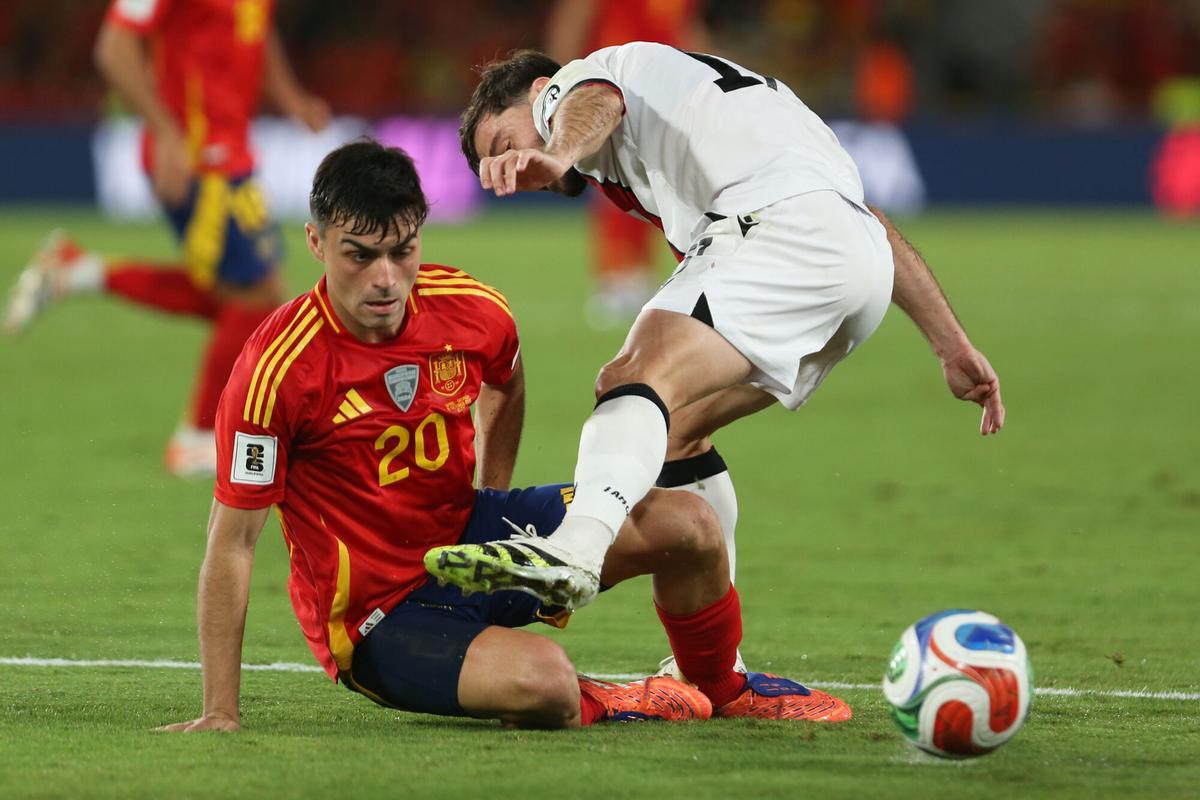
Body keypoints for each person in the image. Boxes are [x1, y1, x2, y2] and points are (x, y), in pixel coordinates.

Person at [160, 140, 850, 732]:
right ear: (315, 242)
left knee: (691, 526)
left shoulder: (471, 311)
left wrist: (491, 498)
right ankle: (623, 702)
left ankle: (725, 693)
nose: (385, 279)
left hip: (470, 538)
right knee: (544, 682)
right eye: (359, 255)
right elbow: (234, 544)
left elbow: (506, 381)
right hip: (377, 617)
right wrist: (221, 708)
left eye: (402, 251)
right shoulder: (277, 368)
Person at [428, 45, 1005, 620]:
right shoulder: (709, 104)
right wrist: (951, 345)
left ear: (535, 94)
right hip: (858, 271)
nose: (510, 173)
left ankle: (576, 549)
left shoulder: (580, 82)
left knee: (629, 381)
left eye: (502, 147)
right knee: (671, 428)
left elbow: (595, 101)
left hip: (781, 237)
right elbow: (866, 222)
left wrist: (554, 152)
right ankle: (710, 665)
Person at [3, 0, 328, 477]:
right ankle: (195, 438)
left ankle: (76, 270)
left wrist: (290, 97)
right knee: (256, 295)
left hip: (232, 154)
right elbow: (113, 47)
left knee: (242, 300)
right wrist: (167, 132)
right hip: (195, 157)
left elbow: (257, 27)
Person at [545, 0, 709, 328]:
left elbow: (684, 30)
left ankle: (640, 275)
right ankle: (615, 277)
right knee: (615, 176)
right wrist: (559, 83)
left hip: (663, 93)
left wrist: (713, 72)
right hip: (608, 88)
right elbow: (573, 18)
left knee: (657, 183)